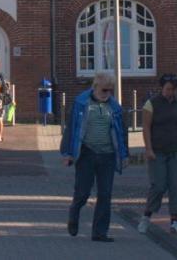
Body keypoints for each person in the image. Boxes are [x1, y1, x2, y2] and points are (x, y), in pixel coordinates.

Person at [60, 71, 129, 243]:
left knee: (105, 194)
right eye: (105, 90)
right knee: (83, 192)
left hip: (107, 155)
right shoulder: (81, 103)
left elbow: (122, 133)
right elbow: (72, 129)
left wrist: (124, 154)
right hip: (87, 154)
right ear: (96, 86)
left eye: (110, 90)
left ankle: (99, 232)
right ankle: (74, 211)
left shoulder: (115, 107)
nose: (108, 94)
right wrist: (68, 153)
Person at [138, 73, 177, 235]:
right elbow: (146, 127)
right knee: (158, 185)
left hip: (176, 151)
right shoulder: (151, 104)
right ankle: (146, 217)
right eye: (168, 89)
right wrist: (148, 149)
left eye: (173, 89)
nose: (170, 92)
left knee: (176, 186)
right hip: (157, 151)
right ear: (162, 88)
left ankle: (175, 220)